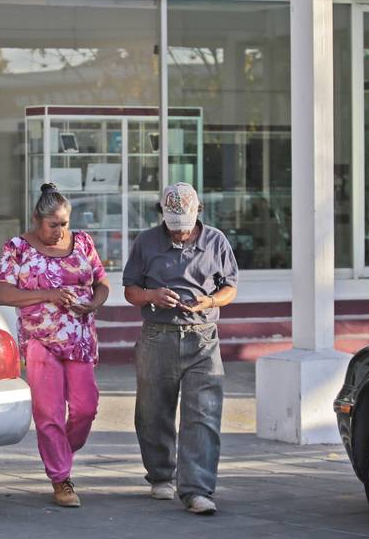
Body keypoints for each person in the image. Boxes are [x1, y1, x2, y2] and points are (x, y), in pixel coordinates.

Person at [122, 182, 238, 515]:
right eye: (174, 230)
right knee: (152, 411)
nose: (180, 236)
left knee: (203, 413)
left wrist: (211, 300)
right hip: (157, 335)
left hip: (202, 335)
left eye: (185, 230)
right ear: (163, 217)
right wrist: (151, 295)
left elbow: (231, 287)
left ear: (198, 213)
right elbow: (131, 290)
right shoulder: (146, 241)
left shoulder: (215, 240)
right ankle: (160, 476)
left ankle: (197, 489)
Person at [0, 183, 110, 508]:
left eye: (64, 224)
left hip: (80, 338)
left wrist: (95, 304)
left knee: (86, 407)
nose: (60, 231)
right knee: (48, 413)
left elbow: (101, 282)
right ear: (36, 219)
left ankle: (59, 449)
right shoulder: (16, 247)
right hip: (40, 340)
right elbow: (4, 294)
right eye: (53, 225)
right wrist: (48, 294)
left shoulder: (83, 242)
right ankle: (61, 478)